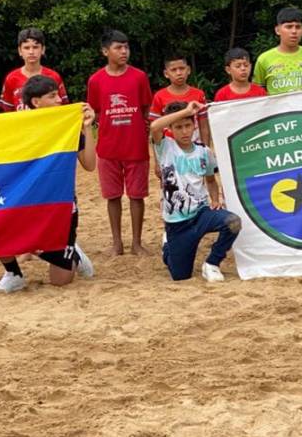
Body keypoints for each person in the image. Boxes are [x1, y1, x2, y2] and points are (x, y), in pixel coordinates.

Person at [0, 75, 96, 292]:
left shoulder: (67, 127)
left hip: (60, 204)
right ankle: (13, 273)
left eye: (58, 94)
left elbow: (90, 164)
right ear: (36, 102)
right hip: (26, 201)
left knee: (59, 281)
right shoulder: (18, 128)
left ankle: (72, 252)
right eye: (52, 96)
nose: (59, 99)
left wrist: (88, 127)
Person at [151, 100, 241, 281]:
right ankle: (168, 245)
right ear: (171, 128)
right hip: (177, 222)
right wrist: (186, 110)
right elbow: (154, 126)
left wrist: (215, 199)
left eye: (187, 125)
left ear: (194, 126)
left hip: (201, 214)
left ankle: (212, 263)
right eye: (178, 127)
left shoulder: (203, 151)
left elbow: (210, 179)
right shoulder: (165, 146)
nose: (184, 131)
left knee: (233, 222)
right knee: (180, 275)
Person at [86, 28, 152, 256]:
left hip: (136, 147)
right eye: (118, 47)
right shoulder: (96, 80)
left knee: (137, 195)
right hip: (108, 148)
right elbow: (95, 111)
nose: (124, 51)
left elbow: (145, 108)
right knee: (112, 196)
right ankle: (117, 242)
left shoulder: (139, 77)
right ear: (105, 51)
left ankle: (136, 241)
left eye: (126, 47)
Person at [253, 8, 302, 94]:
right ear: (278, 30)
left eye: (298, 27)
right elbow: (258, 93)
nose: (294, 31)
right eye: (289, 27)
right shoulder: (264, 59)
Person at [0, 27, 69, 111]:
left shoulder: (53, 76)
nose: (31, 52)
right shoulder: (11, 78)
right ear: (20, 51)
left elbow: (63, 107)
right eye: (26, 48)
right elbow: (7, 111)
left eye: (35, 47)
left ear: (43, 49)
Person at [149, 54, 210, 145]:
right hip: (169, 149)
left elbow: (204, 126)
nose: (178, 73)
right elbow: (155, 129)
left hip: (194, 147)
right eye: (173, 70)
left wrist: (205, 149)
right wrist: (158, 157)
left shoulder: (199, 94)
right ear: (166, 74)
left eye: (182, 68)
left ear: (188, 70)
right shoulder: (159, 96)